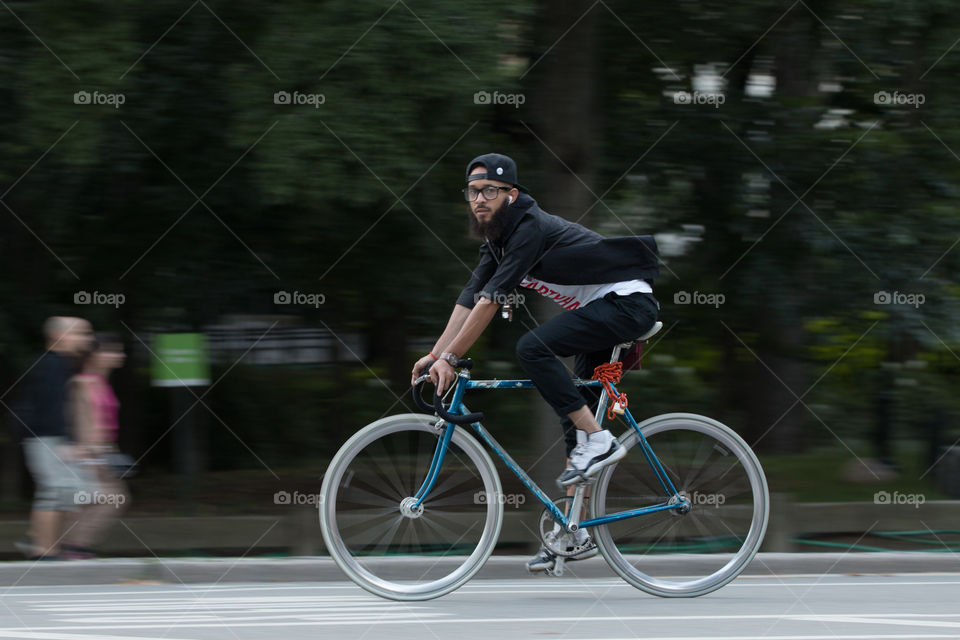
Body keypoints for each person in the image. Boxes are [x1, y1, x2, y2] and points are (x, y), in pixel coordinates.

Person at [410, 153, 659, 572]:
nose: (479, 200)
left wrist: (452, 358)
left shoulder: (528, 228)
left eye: (490, 190)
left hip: (628, 305)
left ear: (512, 194)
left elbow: (490, 302)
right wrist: (436, 354)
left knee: (531, 349)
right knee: (572, 418)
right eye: (472, 192)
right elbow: (470, 296)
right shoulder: (498, 240)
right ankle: (572, 532)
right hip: (605, 309)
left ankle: (601, 440)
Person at [16, 316, 94, 560]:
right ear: (58, 336)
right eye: (79, 333)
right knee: (55, 490)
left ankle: (37, 538)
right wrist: (65, 442)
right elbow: (52, 407)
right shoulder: (50, 365)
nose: (85, 339)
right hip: (45, 436)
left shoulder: (61, 363)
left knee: (72, 490)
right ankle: (43, 549)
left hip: (51, 437)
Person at [61, 333, 130, 559]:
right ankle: (72, 546)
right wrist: (92, 456)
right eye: (111, 350)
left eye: (119, 350)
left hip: (104, 450)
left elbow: (106, 422)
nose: (120, 355)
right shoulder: (81, 383)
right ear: (93, 356)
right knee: (110, 499)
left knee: (93, 499)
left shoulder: (102, 382)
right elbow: (80, 419)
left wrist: (112, 453)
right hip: (90, 450)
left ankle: (68, 546)